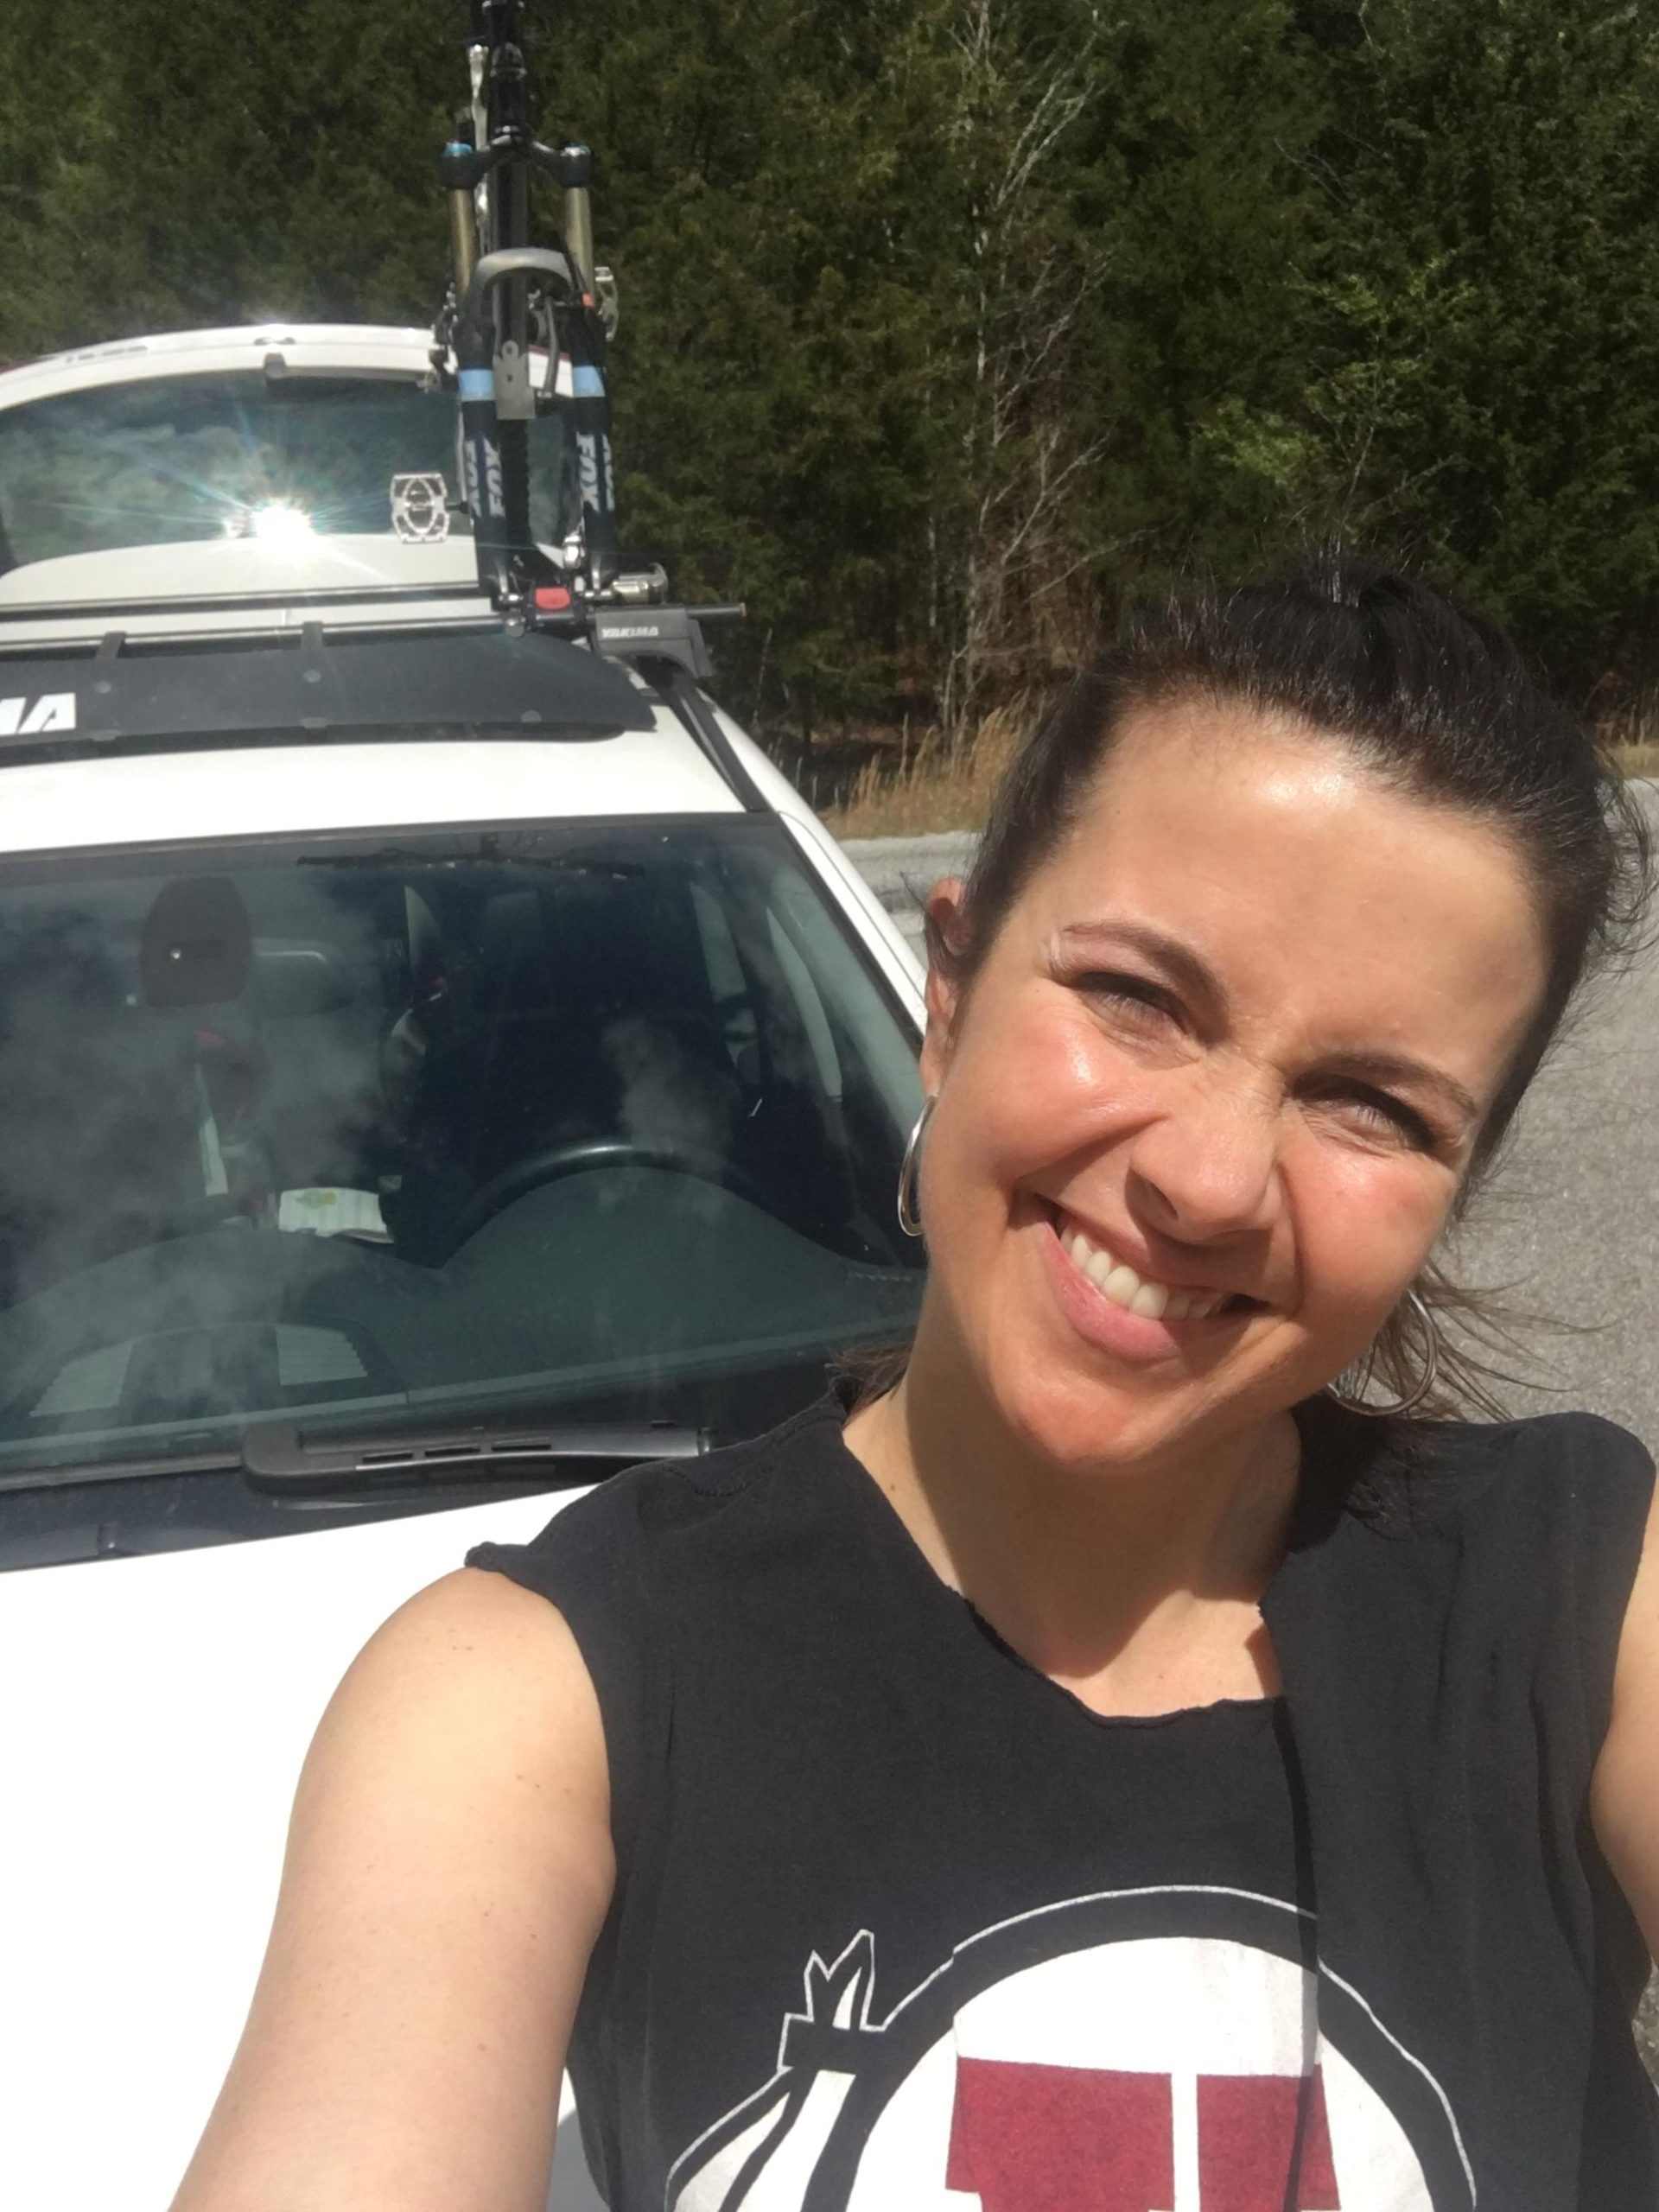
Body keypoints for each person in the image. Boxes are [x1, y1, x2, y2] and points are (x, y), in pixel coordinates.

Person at [172, 556, 1659, 2212]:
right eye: (1136, 998)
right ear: (945, 992)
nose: (1217, 1181)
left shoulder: (1585, 1599)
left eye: (1374, 1105)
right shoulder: (543, 1696)